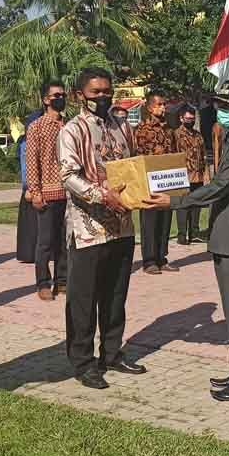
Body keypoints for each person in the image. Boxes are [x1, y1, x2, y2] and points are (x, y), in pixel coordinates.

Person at [144, 80, 229, 401]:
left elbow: (221, 185)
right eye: (218, 105)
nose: (221, 111)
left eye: (227, 107)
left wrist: (173, 203)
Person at [59, 67, 145, 390]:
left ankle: (112, 352)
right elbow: (68, 175)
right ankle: (82, 362)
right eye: (96, 92)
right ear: (81, 94)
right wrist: (101, 195)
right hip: (88, 228)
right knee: (83, 299)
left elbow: (133, 164)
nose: (103, 97)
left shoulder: (122, 125)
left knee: (115, 295)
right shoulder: (72, 130)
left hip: (122, 226)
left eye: (107, 91)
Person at [25, 81, 69, 301]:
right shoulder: (37, 126)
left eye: (62, 94)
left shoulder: (69, 125)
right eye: (55, 95)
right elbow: (32, 161)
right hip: (47, 191)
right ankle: (43, 283)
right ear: (45, 100)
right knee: (45, 241)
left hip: (69, 193)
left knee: (65, 239)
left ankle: (62, 281)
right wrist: (35, 191)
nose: (60, 98)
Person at [134, 91, 178, 275]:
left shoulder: (169, 129)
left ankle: (162, 257)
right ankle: (149, 260)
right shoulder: (141, 129)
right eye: (159, 104)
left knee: (165, 220)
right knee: (150, 221)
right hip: (149, 182)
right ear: (150, 107)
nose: (163, 108)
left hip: (166, 182)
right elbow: (137, 156)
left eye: (164, 104)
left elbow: (174, 154)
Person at [173, 105, 207, 245]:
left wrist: (205, 173)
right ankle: (182, 235)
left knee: (196, 204)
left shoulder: (198, 135)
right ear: (181, 118)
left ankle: (194, 232)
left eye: (192, 119)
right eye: (188, 118)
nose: (190, 121)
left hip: (197, 174)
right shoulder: (176, 134)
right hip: (183, 175)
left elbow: (203, 153)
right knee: (182, 205)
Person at [15, 109, 43, 264]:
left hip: (38, 185)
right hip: (33, 187)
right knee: (32, 224)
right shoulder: (26, 142)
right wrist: (29, 187)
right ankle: (30, 253)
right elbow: (26, 165)